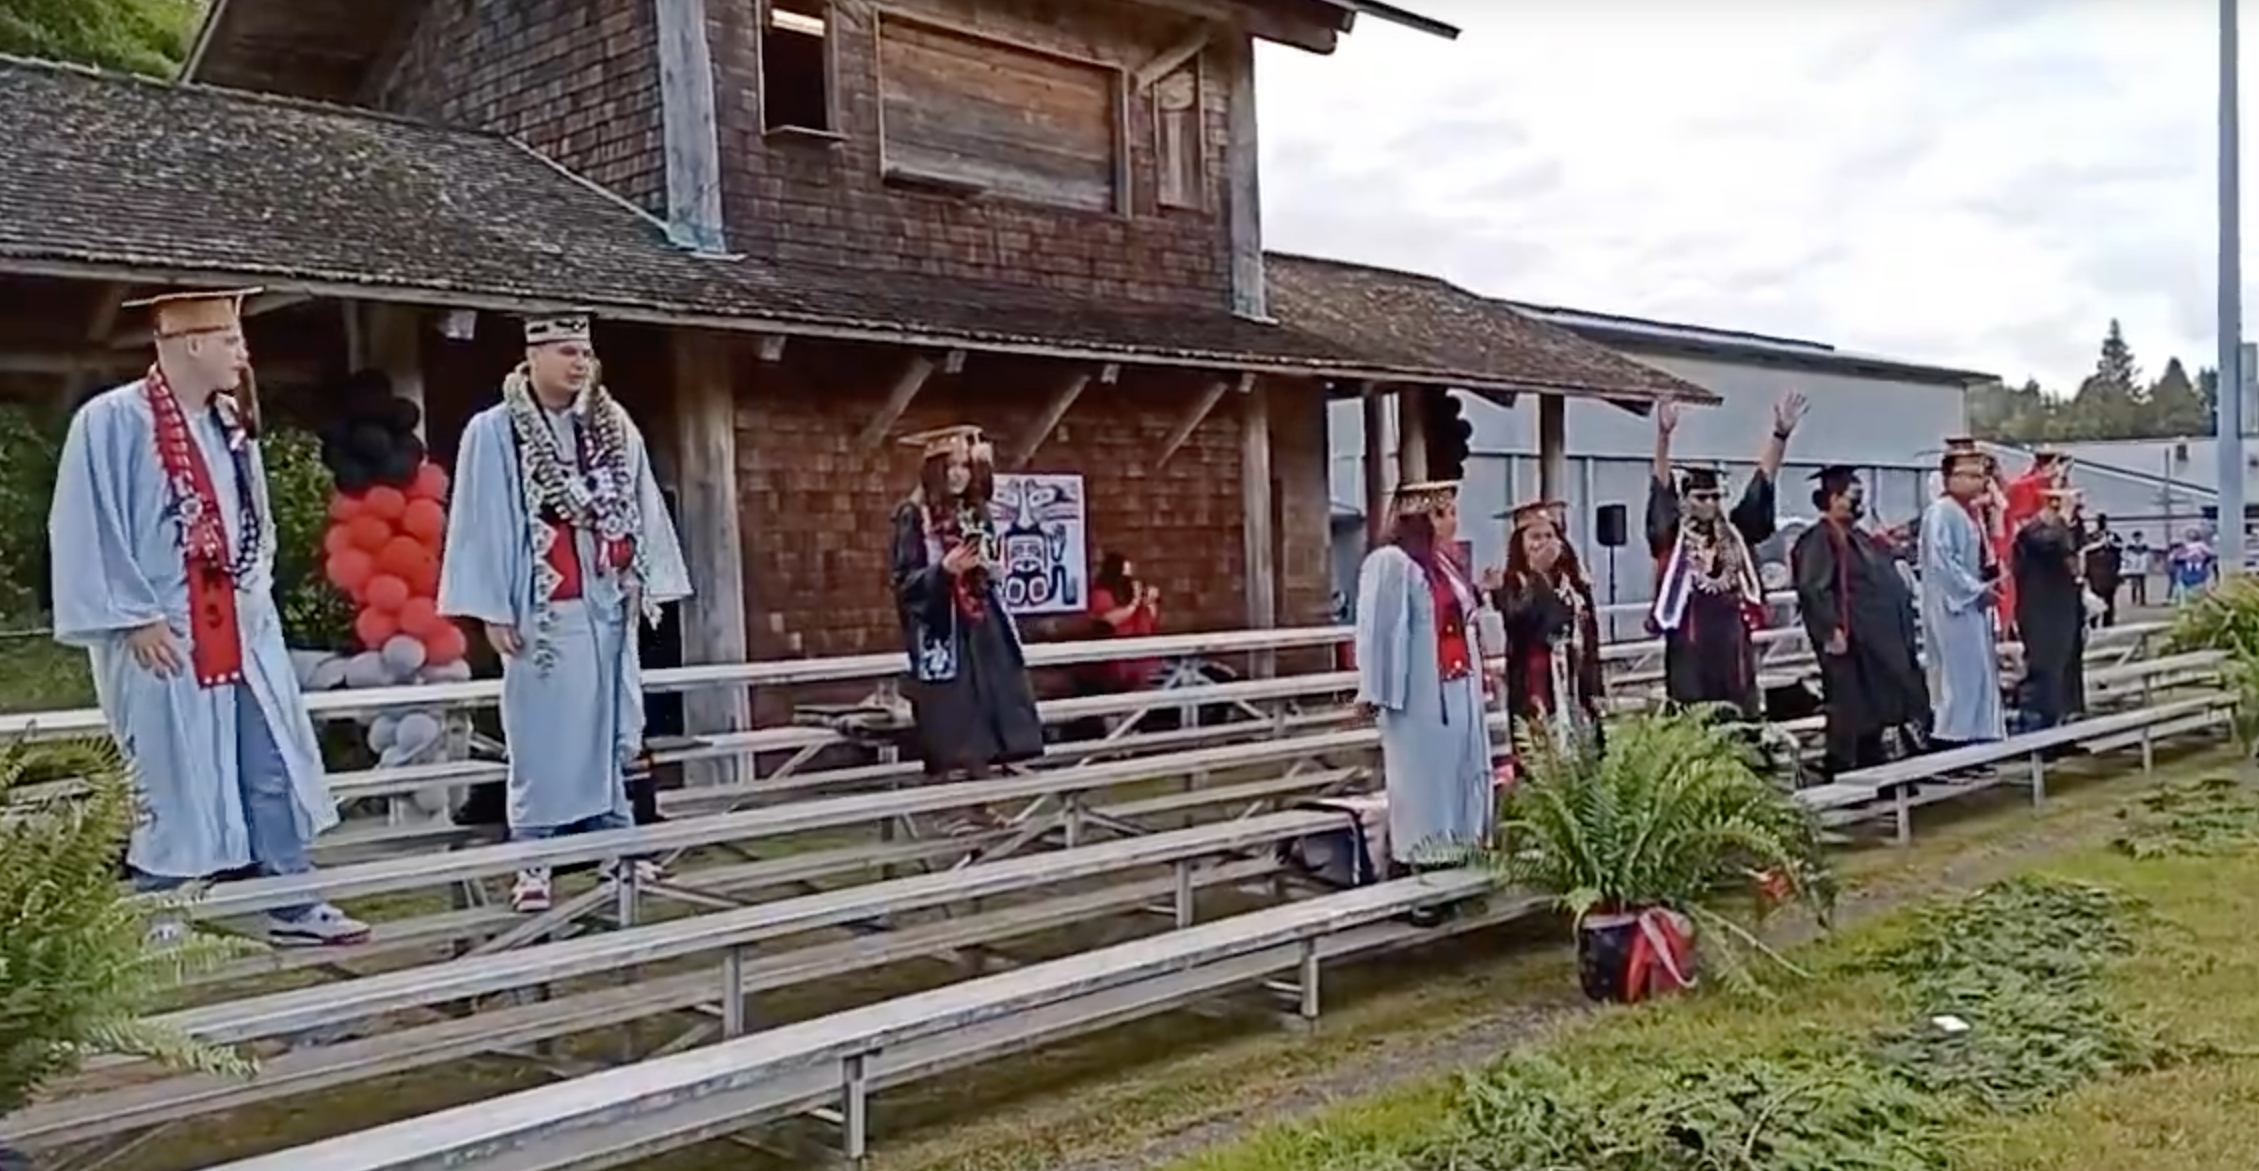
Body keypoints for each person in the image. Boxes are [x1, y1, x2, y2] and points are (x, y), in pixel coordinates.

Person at [49, 287, 367, 946]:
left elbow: (256, 521)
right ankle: (161, 906)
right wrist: (133, 616)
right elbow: (87, 526)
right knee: (167, 765)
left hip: (238, 622)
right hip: (163, 626)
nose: (242, 354)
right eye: (229, 340)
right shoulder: (110, 421)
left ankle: (293, 899)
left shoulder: (230, 425)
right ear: (191, 343)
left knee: (270, 754)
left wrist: (253, 591)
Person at [438, 312, 693, 913]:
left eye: (585, 352)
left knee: (612, 727)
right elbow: (480, 521)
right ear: (535, 355)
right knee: (541, 733)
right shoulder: (495, 430)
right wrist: (491, 606)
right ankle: (534, 857)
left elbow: (641, 499)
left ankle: (615, 840)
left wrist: (643, 577)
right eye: (567, 351)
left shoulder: (609, 422)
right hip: (542, 609)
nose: (579, 363)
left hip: (604, 600)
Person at [888, 424, 1044, 832]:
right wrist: (943, 570)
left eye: (964, 466)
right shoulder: (913, 517)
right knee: (950, 714)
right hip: (942, 627)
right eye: (951, 466)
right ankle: (942, 806)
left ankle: (980, 805)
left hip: (980, 621)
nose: (959, 474)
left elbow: (990, 559)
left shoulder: (975, 512)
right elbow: (904, 582)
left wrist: (991, 570)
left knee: (987, 709)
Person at [1353, 480, 1494, 926]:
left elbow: (1460, 622)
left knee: (1456, 782)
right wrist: (1373, 690)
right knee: (1424, 788)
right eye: (1447, 512)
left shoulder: (1442, 567)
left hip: (1455, 687)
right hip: (1419, 697)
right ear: (1425, 518)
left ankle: (1453, 873)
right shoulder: (1392, 564)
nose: (1455, 521)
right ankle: (1418, 882)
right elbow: (1379, 630)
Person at [1645, 390, 1806, 719]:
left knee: (1740, 718)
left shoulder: (1735, 535)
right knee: (1696, 720)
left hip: (1733, 649)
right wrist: (1663, 436)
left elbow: (1760, 488)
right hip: (1691, 648)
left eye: (1716, 497)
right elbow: (1661, 489)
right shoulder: (1674, 538)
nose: (1709, 504)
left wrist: (1779, 437)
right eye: (1701, 497)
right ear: (1686, 499)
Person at [1792, 465, 1930, 777]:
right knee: (1849, 709)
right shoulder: (1818, 540)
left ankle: (1873, 767)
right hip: (1848, 642)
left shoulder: (1859, 537)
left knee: (1875, 709)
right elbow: (1814, 588)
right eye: (1851, 497)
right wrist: (1831, 630)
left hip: (1876, 641)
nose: (1858, 504)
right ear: (1831, 499)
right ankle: (1844, 769)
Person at [1493, 500, 1604, 748]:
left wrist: (1595, 684)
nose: (1543, 543)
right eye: (1535, 537)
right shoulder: (1512, 583)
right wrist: (1537, 576)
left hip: (1576, 676)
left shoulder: (1574, 582)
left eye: (1549, 535)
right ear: (1520, 542)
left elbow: (1590, 636)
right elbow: (1520, 625)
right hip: (1537, 680)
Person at [1920, 448, 2005, 749]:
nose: (1977, 482)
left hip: (1969, 607)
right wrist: (1976, 590)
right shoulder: (1941, 513)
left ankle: (1973, 738)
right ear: (1948, 478)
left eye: (1980, 476)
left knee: (1974, 676)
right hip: (1951, 608)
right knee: (1955, 679)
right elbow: (1943, 562)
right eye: (1968, 475)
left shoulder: (1967, 515)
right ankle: (1949, 740)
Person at [2012, 488, 2089, 729]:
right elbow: (2051, 543)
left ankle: (2065, 727)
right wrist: (2063, 515)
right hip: (2041, 615)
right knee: (2045, 673)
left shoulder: (2062, 531)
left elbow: (2071, 546)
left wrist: (2072, 520)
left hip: (2065, 612)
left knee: (2067, 675)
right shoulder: (2031, 533)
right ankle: (2038, 733)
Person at [1066, 551, 1161, 740]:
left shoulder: (1130, 593)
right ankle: (1113, 740)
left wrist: (1148, 603)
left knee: (1137, 700)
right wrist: (1132, 604)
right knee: (1112, 704)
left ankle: (1131, 735)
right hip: (1110, 661)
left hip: (1135, 658)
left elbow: (1147, 623)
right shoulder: (1102, 594)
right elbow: (1108, 621)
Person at [2081, 513, 2123, 627]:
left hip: (2110, 572)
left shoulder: (2113, 536)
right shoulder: (2091, 536)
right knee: (2095, 599)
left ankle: (2108, 622)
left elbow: (2120, 548)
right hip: (2095, 573)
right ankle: (2093, 622)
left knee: (2109, 599)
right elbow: (2085, 549)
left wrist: (2110, 542)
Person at [2123, 530, 2153, 607]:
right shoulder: (2130, 546)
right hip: (2133, 568)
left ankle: (2143, 600)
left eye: (2139, 537)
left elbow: (2148, 556)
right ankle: (2134, 599)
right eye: (2136, 537)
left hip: (2142, 568)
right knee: (2134, 584)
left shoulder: (2144, 546)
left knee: (2142, 585)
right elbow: (2126, 555)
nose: (2138, 538)